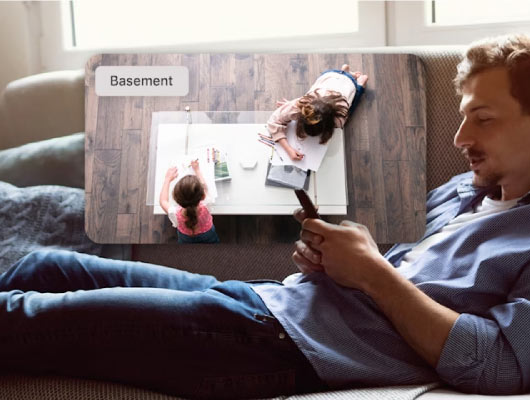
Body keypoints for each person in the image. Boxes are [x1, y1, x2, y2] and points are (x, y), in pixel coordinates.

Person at [0, 33, 529, 399]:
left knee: (21, 316)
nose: (461, 139)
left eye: (482, 120)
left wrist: (371, 273)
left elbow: (498, 364)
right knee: (45, 266)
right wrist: (337, 263)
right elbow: (388, 286)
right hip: (264, 302)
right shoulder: (466, 192)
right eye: (463, 119)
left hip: (270, 347)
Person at [267, 64, 368, 161]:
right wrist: (288, 149)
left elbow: (275, 121)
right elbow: (273, 121)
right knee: (340, 92)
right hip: (330, 76)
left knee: (351, 106)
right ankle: (345, 72)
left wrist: (289, 107)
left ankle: (360, 83)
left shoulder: (339, 120)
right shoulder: (299, 105)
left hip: (340, 80)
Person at [159, 160, 219, 244]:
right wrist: (197, 170)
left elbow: (163, 201)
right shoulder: (207, 203)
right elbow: (205, 187)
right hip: (208, 234)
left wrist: (167, 179)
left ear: (177, 200)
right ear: (203, 196)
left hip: (186, 239)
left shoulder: (175, 213)